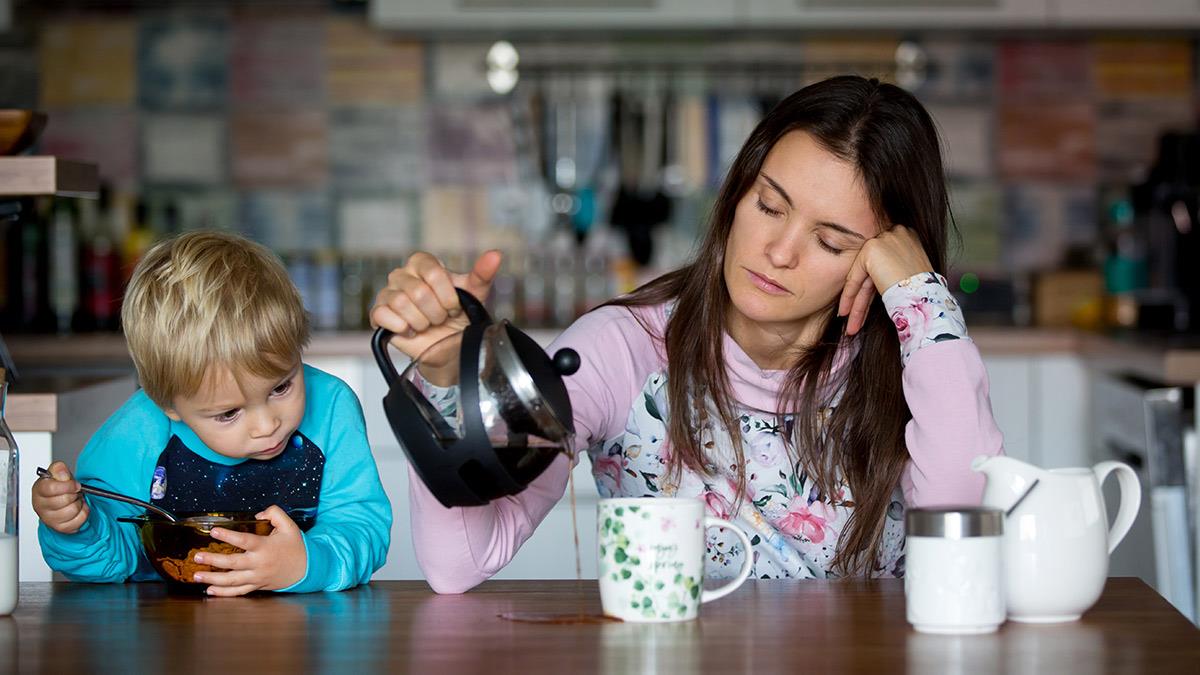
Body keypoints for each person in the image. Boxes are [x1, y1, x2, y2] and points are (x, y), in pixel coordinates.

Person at [372, 75, 1004, 593]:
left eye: (831, 240)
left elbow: (959, 526)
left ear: (879, 259)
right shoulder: (620, 349)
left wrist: (923, 299)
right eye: (769, 207)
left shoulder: (914, 360)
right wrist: (445, 377)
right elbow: (460, 564)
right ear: (735, 196)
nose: (779, 252)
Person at [33, 231, 391, 596]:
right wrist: (75, 526)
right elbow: (109, 562)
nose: (268, 426)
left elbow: (360, 524)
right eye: (229, 413)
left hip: (306, 636)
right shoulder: (136, 432)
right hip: (167, 640)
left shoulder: (331, 408)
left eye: (281, 387)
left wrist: (308, 564)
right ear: (168, 405)